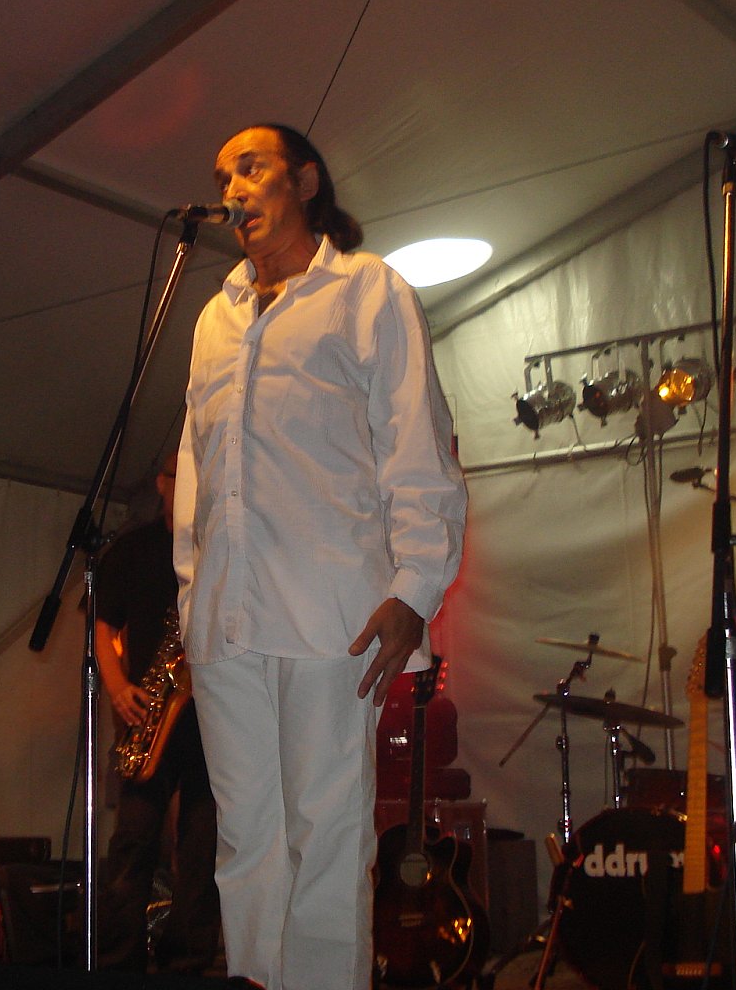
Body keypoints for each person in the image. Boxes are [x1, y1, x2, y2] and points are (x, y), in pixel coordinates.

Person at [172, 124, 468, 990]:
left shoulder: (368, 290)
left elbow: (417, 443)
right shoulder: (213, 318)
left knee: (326, 837)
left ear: (304, 182)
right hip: (225, 619)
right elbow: (195, 470)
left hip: (334, 613)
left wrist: (415, 589)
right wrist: (192, 600)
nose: (232, 189)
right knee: (245, 843)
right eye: (222, 176)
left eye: (251, 168)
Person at [95, 451, 221, 976]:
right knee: (132, 846)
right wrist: (117, 687)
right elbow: (103, 625)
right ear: (162, 484)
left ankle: (187, 964)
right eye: (179, 475)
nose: (188, 483)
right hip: (149, 714)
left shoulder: (216, 548)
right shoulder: (131, 549)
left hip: (210, 719)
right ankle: (117, 963)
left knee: (202, 853)